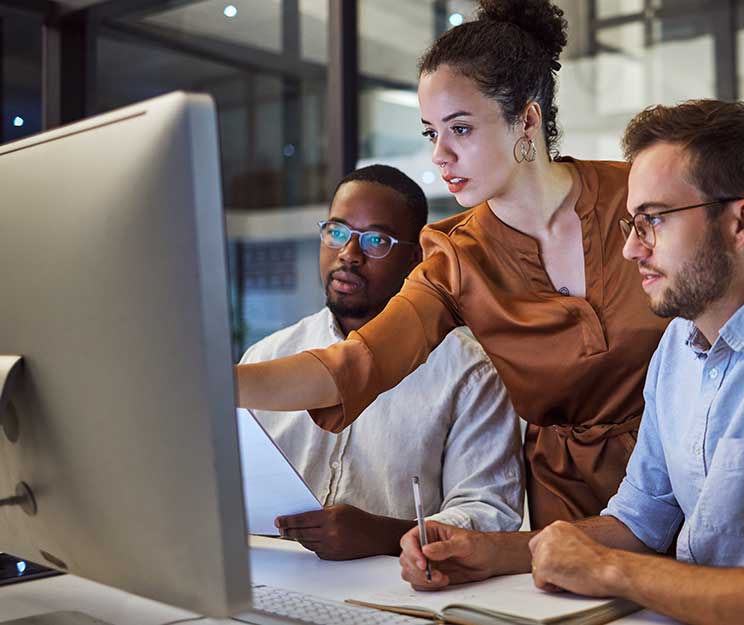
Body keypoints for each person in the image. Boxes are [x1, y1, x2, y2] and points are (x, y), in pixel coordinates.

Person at [399, 100, 744, 625]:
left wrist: (611, 572)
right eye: (631, 223)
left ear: (743, 222)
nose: (630, 249)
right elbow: (638, 522)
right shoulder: (678, 346)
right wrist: (493, 552)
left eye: (652, 220)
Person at [235, 0, 669, 527]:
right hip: (570, 508)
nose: (439, 154)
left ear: (526, 119)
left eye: (460, 128)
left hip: (689, 471)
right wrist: (218, 383)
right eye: (430, 132)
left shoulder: (638, 195)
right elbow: (356, 365)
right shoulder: (454, 257)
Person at [241, 165, 523, 560]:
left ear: (415, 258)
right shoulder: (268, 356)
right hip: (272, 572)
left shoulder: (470, 373)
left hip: (397, 588)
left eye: (376, 240)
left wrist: (384, 535)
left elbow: (491, 513)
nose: (349, 254)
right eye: (337, 232)